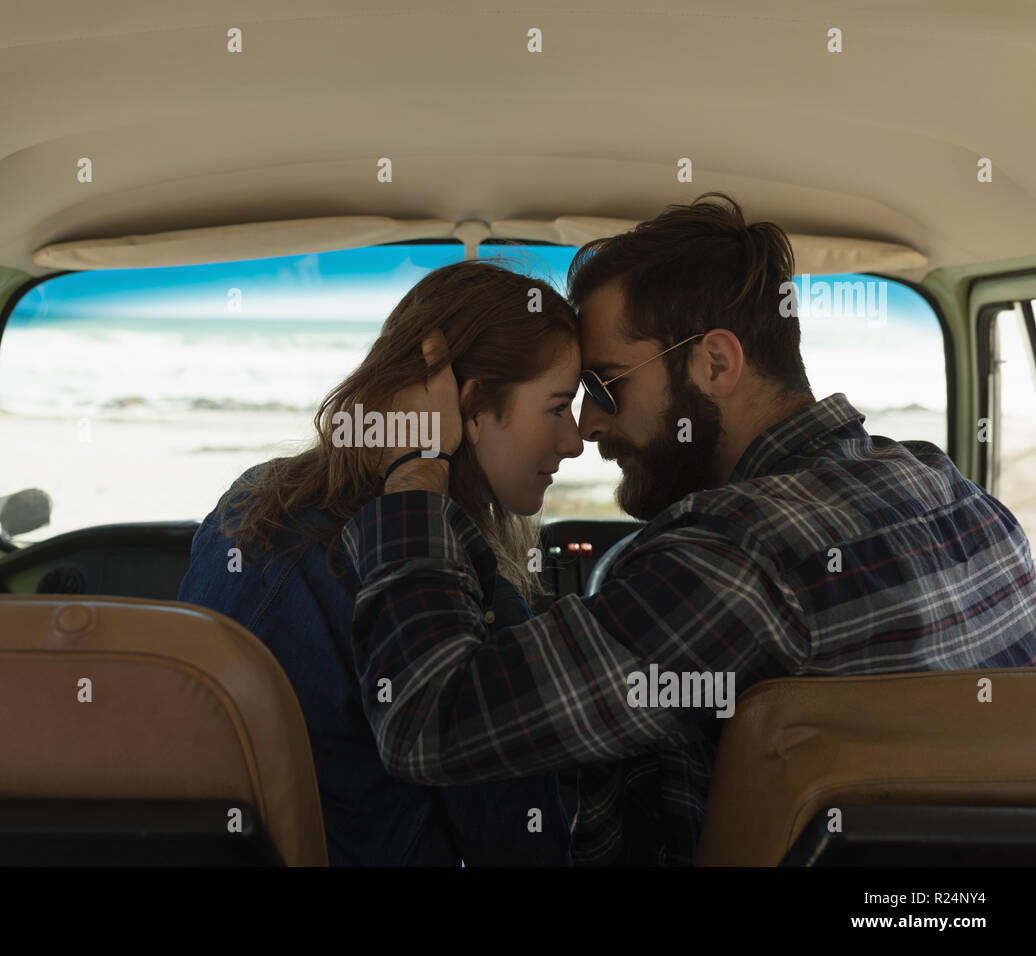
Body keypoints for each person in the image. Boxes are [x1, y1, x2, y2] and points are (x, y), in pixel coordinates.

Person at [341, 192, 1036, 865]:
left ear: (715, 364)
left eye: (608, 386)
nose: (588, 426)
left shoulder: (736, 556)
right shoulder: (958, 496)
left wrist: (415, 476)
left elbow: (426, 722)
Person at [177, 258, 585, 865]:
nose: (574, 439)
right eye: (558, 406)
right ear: (469, 410)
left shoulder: (249, 504)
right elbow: (523, 846)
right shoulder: (461, 596)